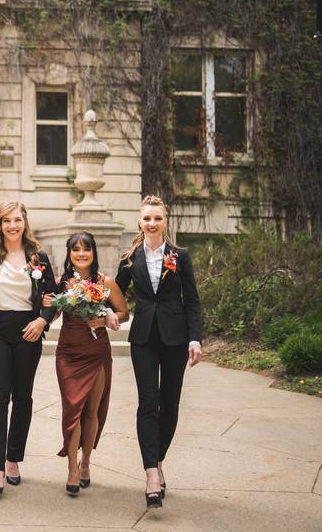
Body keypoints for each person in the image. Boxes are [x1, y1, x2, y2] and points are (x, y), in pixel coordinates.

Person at [115, 195, 202, 508]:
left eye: (157, 218)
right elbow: (115, 295)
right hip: (143, 339)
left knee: (170, 405)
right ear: (140, 222)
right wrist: (108, 313)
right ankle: (151, 472)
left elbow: (192, 300)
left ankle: (159, 458)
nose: (152, 223)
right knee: (148, 403)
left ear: (165, 221)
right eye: (147, 218)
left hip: (177, 338)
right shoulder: (130, 258)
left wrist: (196, 338)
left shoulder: (181, 256)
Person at [0, 202, 56, 495]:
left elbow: (52, 296)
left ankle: (12, 459)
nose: (12, 225)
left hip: (28, 331)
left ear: (25, 222)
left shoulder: (38, 255)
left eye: (17, 219)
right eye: (7, 220)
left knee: (22, 397)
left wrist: (42, 321)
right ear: (0, 224)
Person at [47, 232, 127, 494]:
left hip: (96, 351)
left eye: (86, 249)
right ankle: (71, 467)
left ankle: (86, 463)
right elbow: (54, 312)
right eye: (76, 250)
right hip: (68, 353)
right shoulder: (62, 283)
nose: (81, 254)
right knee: (72, 410)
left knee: (91, 411)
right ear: (69, 254)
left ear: (94, 252)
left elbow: (123, 313)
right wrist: (48, 304)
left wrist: (105, 319)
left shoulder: (106, 282)